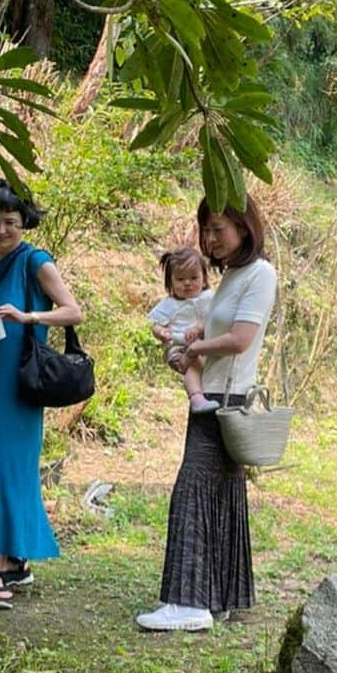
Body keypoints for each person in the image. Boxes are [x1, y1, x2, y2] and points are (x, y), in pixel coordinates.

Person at [137, 195, 277, 633]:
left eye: (219, 229)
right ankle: (222, 595)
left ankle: (188, 603)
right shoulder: (234, 275)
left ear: (243, 226)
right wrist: (199, 331)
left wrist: (194, 347)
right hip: (216, 393)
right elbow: (222, 328)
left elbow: (239, 339)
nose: (211, 239)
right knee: (221, 495)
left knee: (191, 492)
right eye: (206, 230)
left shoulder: (260, 273)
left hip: (224, 398)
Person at [0, 180, 83, 609]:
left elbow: (72, 311)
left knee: (12, 470)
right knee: (3, 469)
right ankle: (17, 561)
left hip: (21, 383)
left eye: (11, 221)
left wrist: (28, 315)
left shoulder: (34, 262)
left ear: (24, 220)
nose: (2, 229)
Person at [148, 248, 216, 413]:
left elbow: (214, 318)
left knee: (203, 364)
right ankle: (196, 397)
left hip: (203, 344)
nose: (187, 283)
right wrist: (161, 333)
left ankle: (205, 395)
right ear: (170, 282)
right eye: (180, 279)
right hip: (178, 345)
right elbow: (156, 325)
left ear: (204, 278)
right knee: (192, 365)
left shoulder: (208, 298)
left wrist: (199, 327)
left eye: (194, 278)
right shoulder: (169, 304)